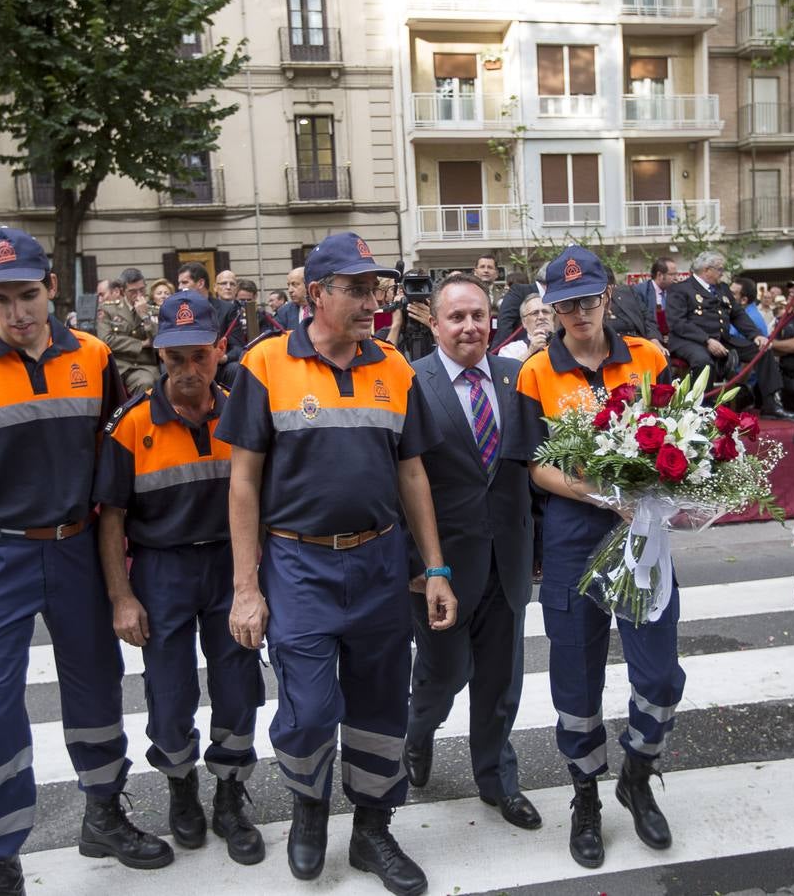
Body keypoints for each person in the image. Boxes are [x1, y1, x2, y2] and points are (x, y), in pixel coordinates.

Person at [0, 227, 171, 894]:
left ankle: (104, 813)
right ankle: (0, 855)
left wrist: (127, 569)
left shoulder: (92, 354)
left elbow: (117, 462)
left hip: (77, 547)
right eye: (1, 299)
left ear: (52, 287)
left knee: (96, 687)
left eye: (28, 294)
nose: (18, 313)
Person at [217, 231, 456, 894]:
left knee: (382, 707)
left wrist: (434, 567)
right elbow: (241, 482)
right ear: (315, 294)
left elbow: (412, 475)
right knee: (310, 709)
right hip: (298, 567)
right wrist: (246, 588)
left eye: (374, 287)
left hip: (379, 564)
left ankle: (372, 831)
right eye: (354, 288)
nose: (371, 300)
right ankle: (309, 808)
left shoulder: (394, 367)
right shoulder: (264, 365)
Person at [515, 245, 682, 869]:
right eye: (565, 305)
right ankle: (585, 793)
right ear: (552, 309)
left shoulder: (648, 357)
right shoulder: (536, 371)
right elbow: (535, 466)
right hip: (572, 535)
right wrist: (594, 490)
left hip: (641, 532)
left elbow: (679, 432)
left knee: (660, 674)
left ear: (608, 297)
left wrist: (668, 490)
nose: (578, 314)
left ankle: (637, 773)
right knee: (577, 677)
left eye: (588, 301)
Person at [94, 290, 266, 866]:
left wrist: (257, 583)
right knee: (168, 693)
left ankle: (229, 796)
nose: (188, 371)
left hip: (230, 564)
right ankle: (181, 788)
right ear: (157, 356)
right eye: (174, 360)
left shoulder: (243, 411)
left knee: (239, 685)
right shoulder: (130, 424)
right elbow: (110, 519)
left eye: (200, 356)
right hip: (162, 570)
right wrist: (121, 597)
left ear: (220, 351)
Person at [402, 271, 541, 831]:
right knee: (444, 674)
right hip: (441, 569)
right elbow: (401, 482)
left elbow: (534, 471)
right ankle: (419, 730)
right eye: (456, 317)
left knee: (501, 680)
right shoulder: (411, 383)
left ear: (492, 320)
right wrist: (416, 566)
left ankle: (496, 777)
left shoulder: (517, 379)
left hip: (507, 560)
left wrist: (538, 548)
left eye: (478, 315)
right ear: (434, 324)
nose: (468, 327)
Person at [665, 251, 794, 420]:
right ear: (707, 270)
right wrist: (706, 340)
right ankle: (701, 409)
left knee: (762, 351)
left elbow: (737, 314)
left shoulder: (722, 289)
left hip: (722, 339)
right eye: (720, 269)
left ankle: (771, 404)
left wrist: (755, 335)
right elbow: (678, 322)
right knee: (703, 361)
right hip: (690, 340)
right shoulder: (681, 289)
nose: (722, 273)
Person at [98, 269, 159, 397]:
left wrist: (145, 316)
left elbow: (159, 341)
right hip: (118, 366)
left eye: (142, 289)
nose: (138, 294)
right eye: (133, 291)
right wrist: (141, 344)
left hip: (144, 366)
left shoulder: (153, 311)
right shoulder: (109, 310)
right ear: (123, 291)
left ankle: (142, 417)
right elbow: (105, 339)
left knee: (145, 383)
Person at [609, 258, 672, 354]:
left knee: (661, 355)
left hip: (641, 341)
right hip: (616, 347)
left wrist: (654, 339)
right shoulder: (592, 303)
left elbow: (647, 317)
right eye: (672, 274)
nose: (676, 277)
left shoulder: (628, 293)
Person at [496, 294, 553, 362]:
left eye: (545, 312)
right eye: (535, 313)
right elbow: (507, 372)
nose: (541, 317)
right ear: (524, 322)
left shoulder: (565, 343)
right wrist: (530, 352)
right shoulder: (510, 350)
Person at [274, 266, 311, 331]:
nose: (290, 290)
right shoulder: (283, 312)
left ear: (307, 284)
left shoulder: (323, 306)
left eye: (294, 284)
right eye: (288, 285)